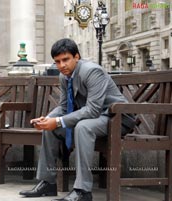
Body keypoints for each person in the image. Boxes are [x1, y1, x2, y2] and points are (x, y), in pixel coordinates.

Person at [19, 38, 136, 201]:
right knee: (50, 128)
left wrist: (59, 121)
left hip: (117, 118)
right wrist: (48, 119)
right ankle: (48, 182)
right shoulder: (64, 76)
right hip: (96, 118)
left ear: (77, 57)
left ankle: (83, 191)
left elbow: (93, 109)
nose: (61, 65)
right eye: (57, 62)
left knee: (83, 127)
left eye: (65, 59)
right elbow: (64, 107)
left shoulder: (91, 71)